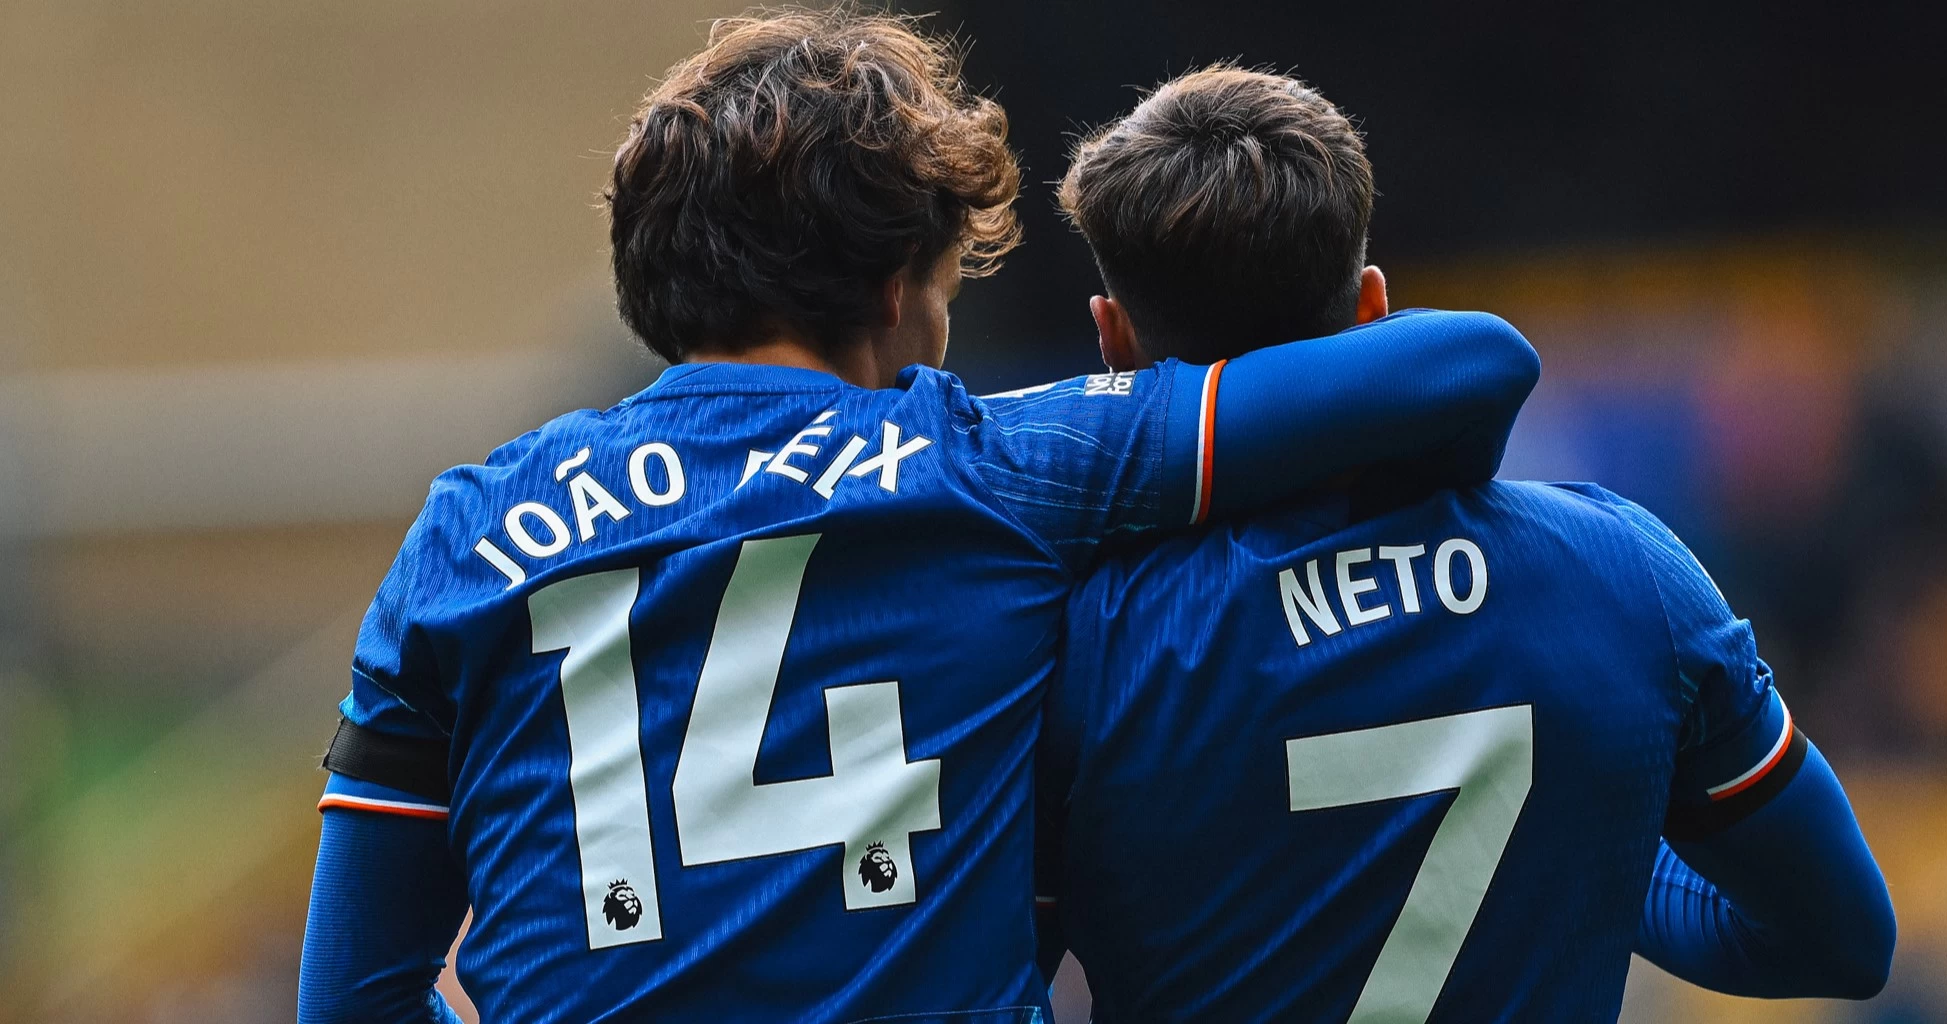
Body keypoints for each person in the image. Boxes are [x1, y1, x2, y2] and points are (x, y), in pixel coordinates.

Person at [294, 13, 1539, 1024]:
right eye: (945, 289)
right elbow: (1467, 363)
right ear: (894, 288)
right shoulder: (994, 468)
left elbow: (351, 996)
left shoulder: (460, 536)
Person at [1036, 66, 1895, 1023]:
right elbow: (1842, 939)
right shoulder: (1625, 575)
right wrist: (1595, 835)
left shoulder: (1076, 647)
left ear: (1111, 341)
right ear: (1372, 306)